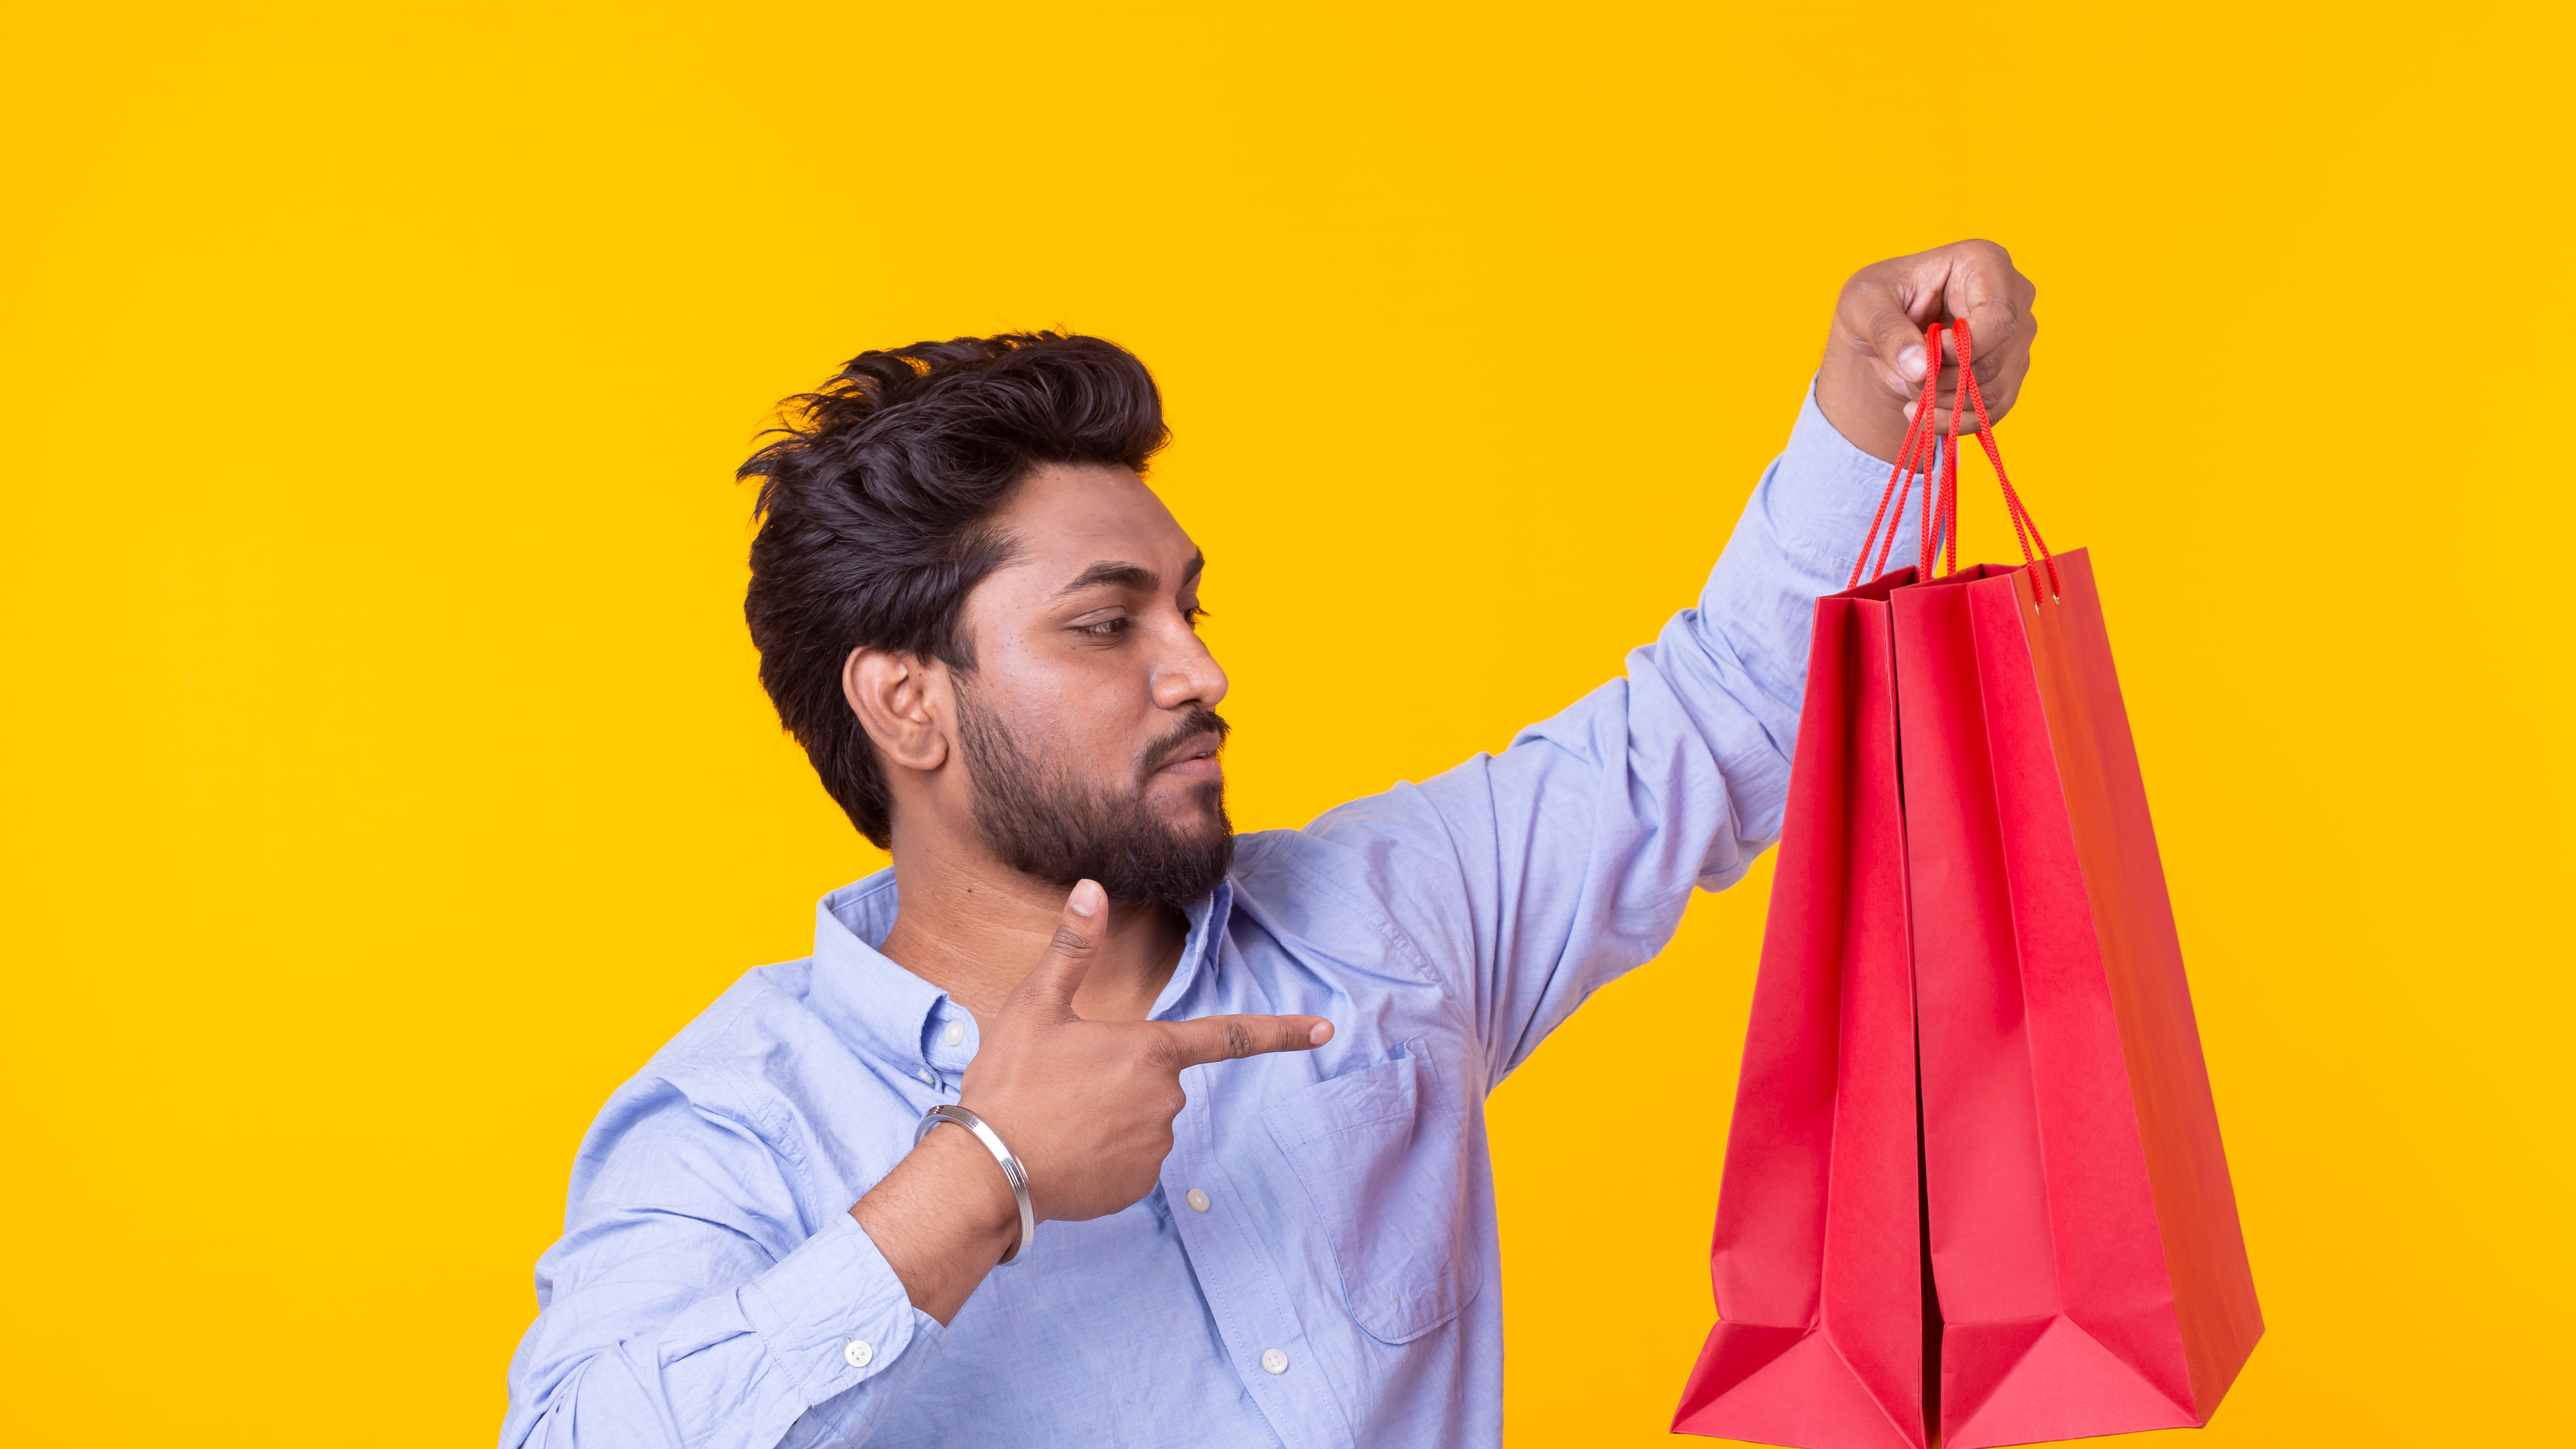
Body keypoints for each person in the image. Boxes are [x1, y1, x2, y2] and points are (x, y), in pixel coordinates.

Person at [500, 240, 2039, 1448]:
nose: (1197, 671)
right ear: (911, 705)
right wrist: (982, 1175)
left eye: (1189, 609)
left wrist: (1875, 414)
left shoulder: (1385, 922)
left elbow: (1712, 723)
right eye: (1108, 625)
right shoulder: (740, 1119)